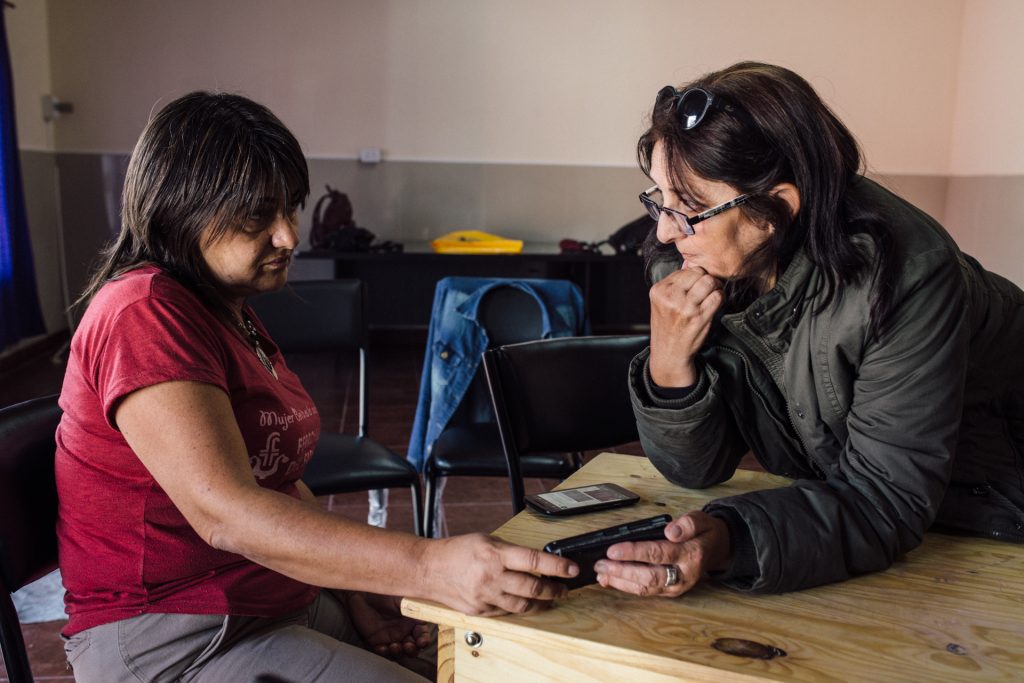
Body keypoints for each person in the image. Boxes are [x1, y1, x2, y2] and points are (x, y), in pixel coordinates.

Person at [55, 92, 578, 683]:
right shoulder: (144, 312)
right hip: (177, 636)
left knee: (491, 665)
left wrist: (355, 588)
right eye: (258, 216)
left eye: (291, 209)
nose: (287, 236)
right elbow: (226, 514)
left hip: (270, 600)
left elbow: (275, 483)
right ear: (182, 209)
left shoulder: (225, 310)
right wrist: (427, 568)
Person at [594, 62, 1024, 598]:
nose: (663, 230)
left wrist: (731, 540)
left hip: (992, 520)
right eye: (660, 197)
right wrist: (668, 362)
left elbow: (887, 499)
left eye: (691, 207)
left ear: (775, 209)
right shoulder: (693, 259)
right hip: (878, 522)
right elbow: (696, 470)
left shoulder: (906, 279)